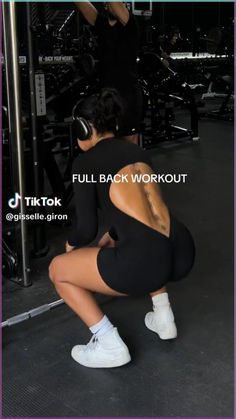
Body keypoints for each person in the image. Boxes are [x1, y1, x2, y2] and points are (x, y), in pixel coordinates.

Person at [49, 88, 195, 369]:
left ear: (83, 128)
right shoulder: (137, 150)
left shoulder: (85, 162)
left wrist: (71, 246)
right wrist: (112, 235)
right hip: (180, 251)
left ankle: (108, 344)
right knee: (136, 239)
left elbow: (85, 229)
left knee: (58, 269)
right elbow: (141, 213)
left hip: (143, 265)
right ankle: (164, 318)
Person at [74, 1, 143, 145]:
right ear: (105, 6)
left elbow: (116, 4)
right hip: (106, 96)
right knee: (108, 142)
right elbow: (82, 4)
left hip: (127, 95)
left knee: (130, 144)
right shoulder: (101, 25)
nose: (122, 4)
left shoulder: (129, 25)